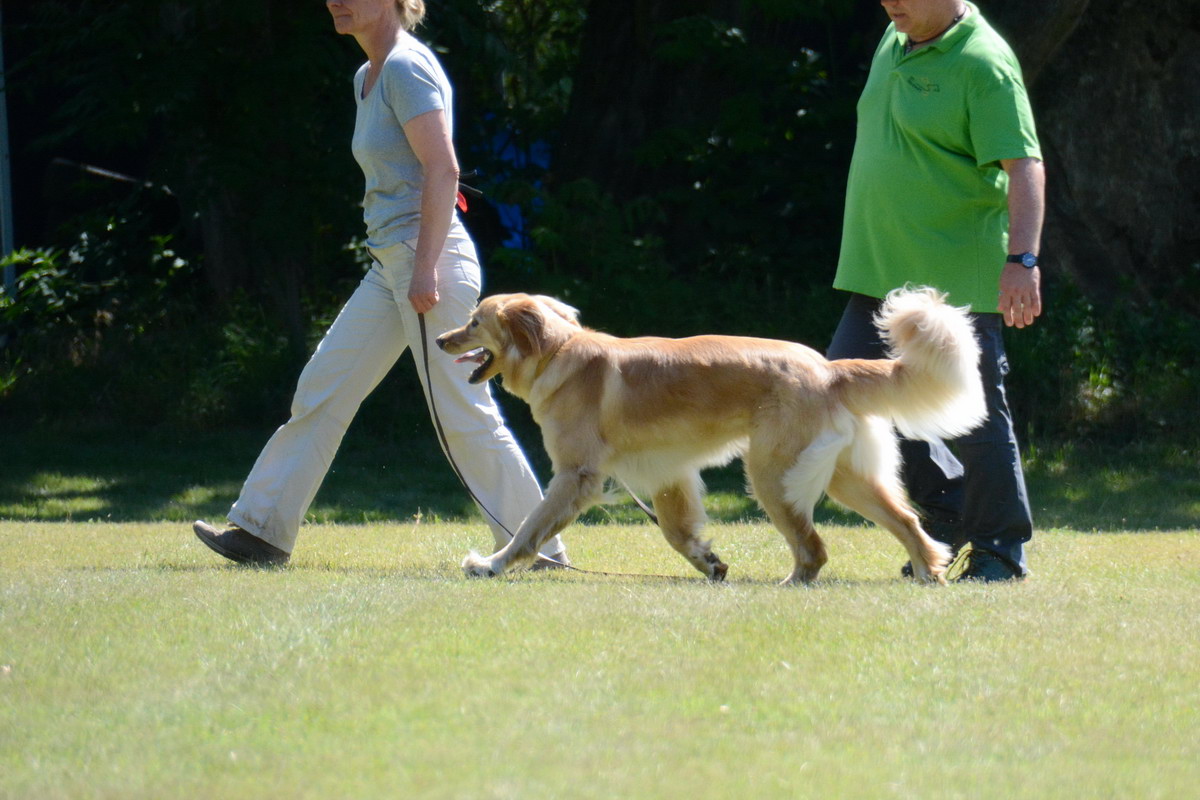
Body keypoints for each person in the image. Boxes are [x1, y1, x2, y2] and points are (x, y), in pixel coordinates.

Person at [193, 0, 568, 569]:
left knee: (462, 412)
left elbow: (443, 169)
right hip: (391, 264)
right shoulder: (367, 76)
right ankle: (260, 532)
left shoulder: (404, 67)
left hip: (429, 264)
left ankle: (536, 550)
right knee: (325, 385)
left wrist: (423, 268)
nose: (335, 1)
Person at [826, 0, 1044, 581]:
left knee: (975, 418)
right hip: (878, 276)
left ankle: (1000, 550)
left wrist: (1022, 260)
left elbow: (1024, 165)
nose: (889, 4)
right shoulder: (895, 37)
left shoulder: (983, 61)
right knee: (839, 401)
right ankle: (946, 511)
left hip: (956, 285)